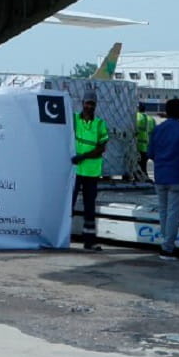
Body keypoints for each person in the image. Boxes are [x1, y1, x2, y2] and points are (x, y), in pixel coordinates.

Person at [148, 99, 179, 260]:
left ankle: (165, 242)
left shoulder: (158, 129)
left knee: (163, 211)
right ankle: (168, 248)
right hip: (177, 176)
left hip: (160, 176)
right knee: (173, 213)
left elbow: (150, 154)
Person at [71, 93, 109, 250]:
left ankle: (89, 241)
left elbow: (101, 148)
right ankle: (62, 237)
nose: (90, 106)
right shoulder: (74, 119)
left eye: (92, 104)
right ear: (82, 103)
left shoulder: (100, 123)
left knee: (89, 208)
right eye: (87, 103)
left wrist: (83, 156)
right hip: (74, 171)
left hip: (91, 172)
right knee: (68, 204)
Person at [134, 106, 156, 181]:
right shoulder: (151, 119)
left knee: (137, 164)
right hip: (147, 145)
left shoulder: (135, 117)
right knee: (144, 164)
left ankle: (137, 177)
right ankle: (144, 177)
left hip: (137, 145)